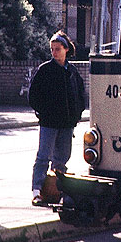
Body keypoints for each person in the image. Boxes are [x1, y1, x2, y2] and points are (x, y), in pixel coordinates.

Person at [28, 31, 87, 206]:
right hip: (49, 122)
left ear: (66, 50)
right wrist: (43, 112)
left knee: (61, 159)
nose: (54, 52)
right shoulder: (45, 70)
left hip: (67, 124)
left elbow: (80, 95)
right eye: (52, 49)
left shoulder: (72, 72)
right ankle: (37, 191)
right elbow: (33, 95)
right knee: (43, 157)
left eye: (58, 49)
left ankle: (58, 191)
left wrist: (76, 116)